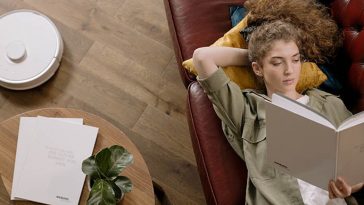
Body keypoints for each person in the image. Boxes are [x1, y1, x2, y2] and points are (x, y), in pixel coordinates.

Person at [193, 20, 362, 205]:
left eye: (296, 59)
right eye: (277, 63)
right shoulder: (248, 110)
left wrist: (350, 187)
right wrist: (256, 56)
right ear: (257, 68)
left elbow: (357, 166)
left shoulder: (330, 104)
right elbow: (202, 57)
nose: (289, 70)